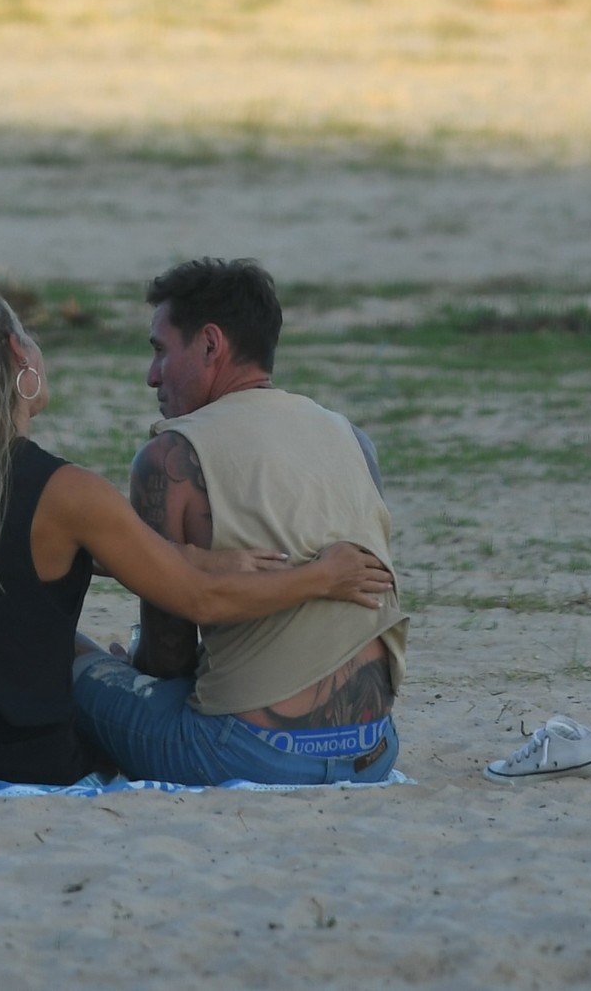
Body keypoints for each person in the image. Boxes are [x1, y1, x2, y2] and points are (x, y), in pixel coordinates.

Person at [0, 277, 395, 784]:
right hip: (33, 756)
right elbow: (186, 591)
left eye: (160, 350)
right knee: (71, 652)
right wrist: (322, 575)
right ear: (19, 354)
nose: (150, 374)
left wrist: (204, 561)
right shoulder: (71, 493)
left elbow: (136, 566)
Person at [72, 257, 408, 787]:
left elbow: (168, 658)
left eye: (160, 350)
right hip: (374, 750)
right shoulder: (352, 439)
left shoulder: (172, 458)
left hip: (249, 753)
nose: (151, 375)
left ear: (210, 344)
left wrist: (131, 664)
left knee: (70, 662)